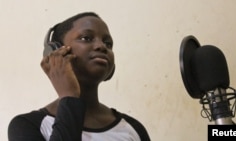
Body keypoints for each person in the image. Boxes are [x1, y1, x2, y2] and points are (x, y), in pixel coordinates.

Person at [8, 12, 151, 141]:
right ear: (56, 51)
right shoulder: (27, 125)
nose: (101, 46)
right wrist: (69, 97)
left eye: (108, 43)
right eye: (86, 38)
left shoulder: (132, 128)